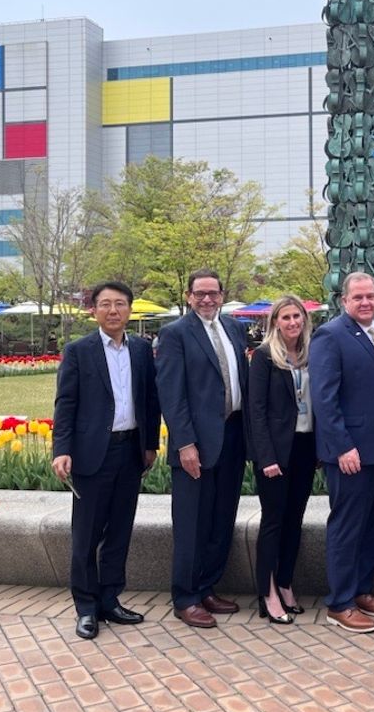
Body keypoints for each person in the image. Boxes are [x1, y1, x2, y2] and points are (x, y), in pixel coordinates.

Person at [51, 280, 160, 640]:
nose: (113, 311)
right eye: (106, 305)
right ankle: (85, 607)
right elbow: (65, 404)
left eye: (120, 304)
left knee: (119, 532)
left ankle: (110, 599)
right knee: (86, 536)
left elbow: (149, 401)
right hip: (91, 454)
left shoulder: (143, 350)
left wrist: (150, 445)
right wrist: (61, 449)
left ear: (130, 310)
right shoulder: (79, 351)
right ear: (94, 310)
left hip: (130, 452)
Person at [156, 269, 249, 629]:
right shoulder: (175, 334)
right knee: (192, 524)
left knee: (221, 520)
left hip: (232, 439)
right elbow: (172, 394)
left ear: (222, 295)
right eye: (200, 294)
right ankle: (186, 597)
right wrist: (185, 443)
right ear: (189, 295)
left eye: (213, 293)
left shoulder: (234, 329)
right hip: (194, 444)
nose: (207, 299)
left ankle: (208, 585)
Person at [309, 272, 374, 633]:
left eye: (370, 296)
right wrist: (343, 446)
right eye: (357, 297)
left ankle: (362, 590)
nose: (365, 302)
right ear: (343, 301)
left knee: (370, 526)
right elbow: (325, 399)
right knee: (346, 528)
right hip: (350, 453)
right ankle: (340, 602)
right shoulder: (330, 335)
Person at [247, 295, 317, 625]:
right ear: (275, 321)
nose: (292, 322)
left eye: (297, 317)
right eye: (286, 317)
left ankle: (286, 582)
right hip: (275, 453)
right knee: (273, 521)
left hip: (305, 447)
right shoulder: (263, 358)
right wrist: (265, 457)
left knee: (294, 520)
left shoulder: (309, 354)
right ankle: (268, 592)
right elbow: (256, 412)